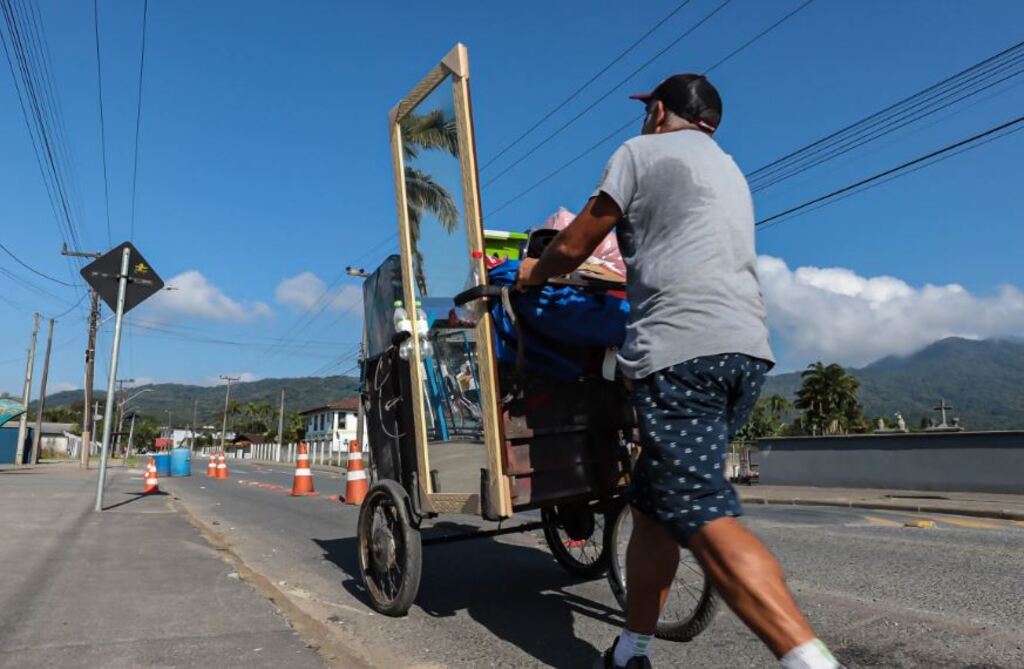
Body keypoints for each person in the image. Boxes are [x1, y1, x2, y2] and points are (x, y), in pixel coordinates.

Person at [515, 74, 842, 669]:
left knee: (698, 508)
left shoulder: (640, 153)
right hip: (745, 352)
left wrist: (532, 273)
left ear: (658, 111)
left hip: (682, 352)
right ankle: (630, 651)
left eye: (647, 111)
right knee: (653, 509)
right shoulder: (729, 170)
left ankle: (810, 660)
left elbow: (575, 245)